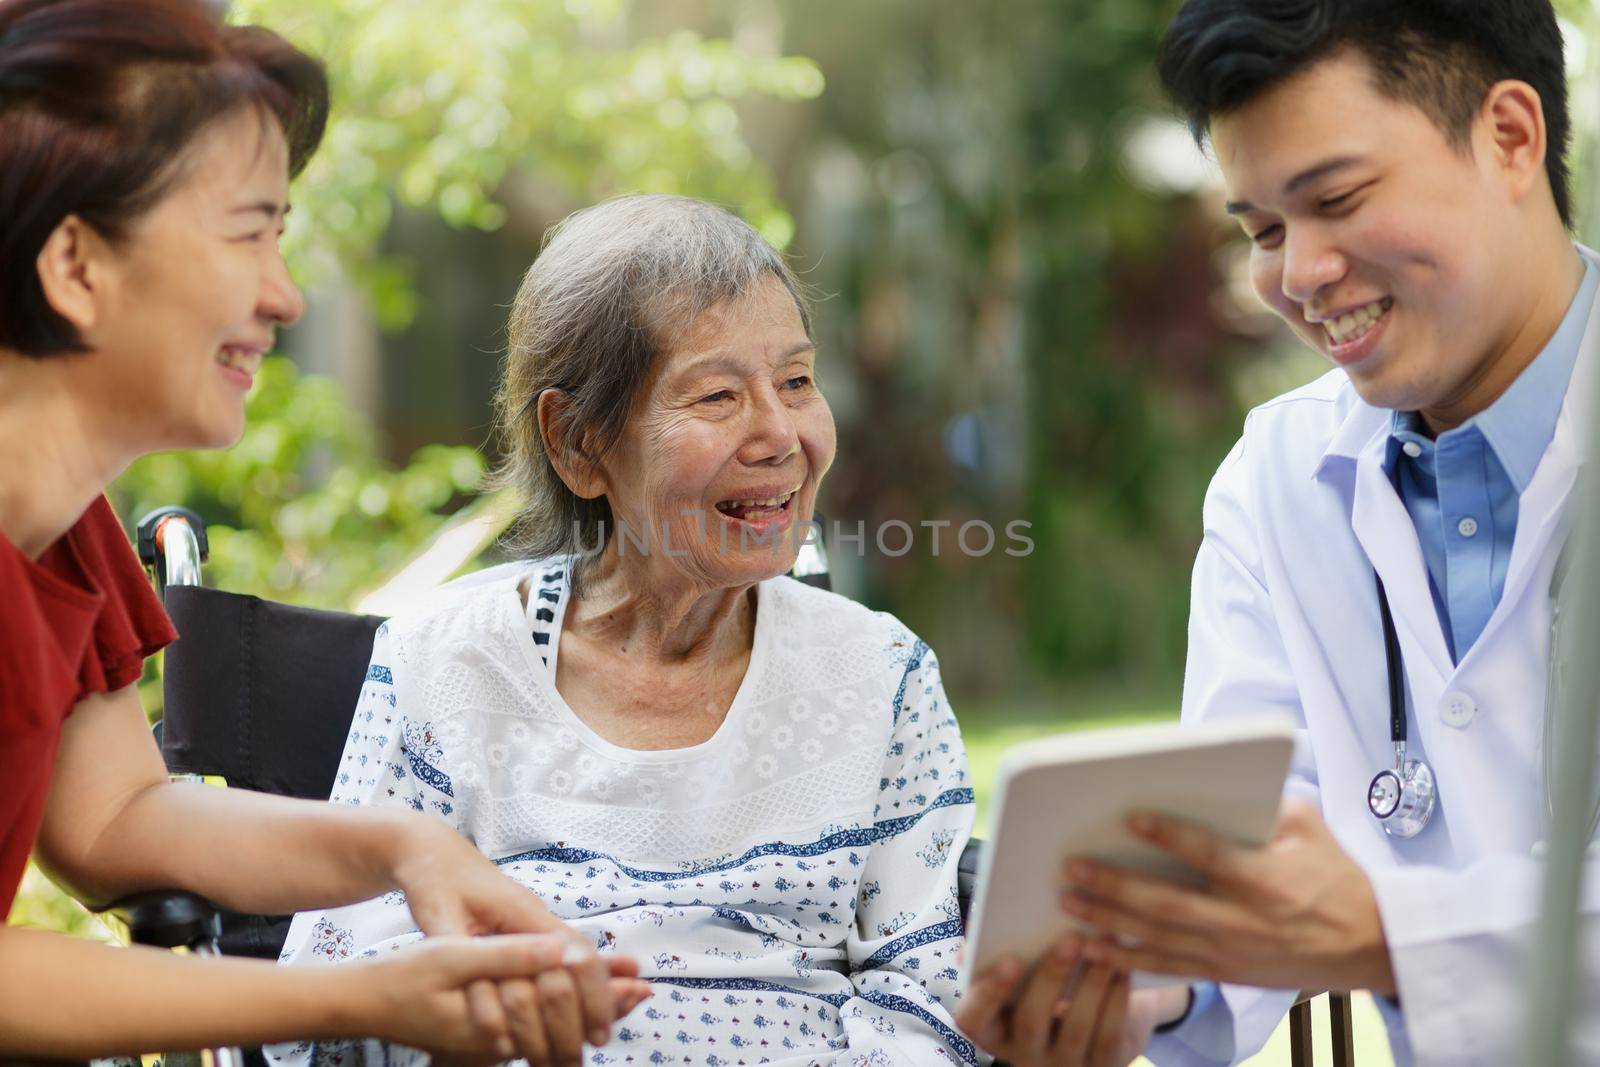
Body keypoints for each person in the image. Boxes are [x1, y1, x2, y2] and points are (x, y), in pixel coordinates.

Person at [0, 1, 646, 1061]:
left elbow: (114, 818)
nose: (286, 296)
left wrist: (407, 844)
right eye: (250, 230)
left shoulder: (67, 528)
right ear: (76, 264)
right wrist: (366, 997)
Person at [271, 194, 991, 1066]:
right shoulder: (446, 656)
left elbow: (930, 998)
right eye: (718, 394)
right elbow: (338, 990)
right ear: (577, 444)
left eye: (797, 381)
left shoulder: (883, 675)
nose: (781, 433)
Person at [1047, 1, 1600, 1064]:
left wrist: (1393, 933)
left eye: (1336, 199)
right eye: (1259, 229)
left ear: (1511, 138)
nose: (1296, 276)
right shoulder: (1274, 479)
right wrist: (1140, 981)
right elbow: (1244, 830)